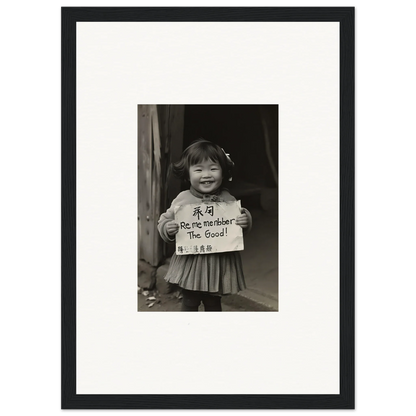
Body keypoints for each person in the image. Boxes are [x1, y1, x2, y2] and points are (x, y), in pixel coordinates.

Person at [157, 138, 252, 311]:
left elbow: (236, 227)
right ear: (188, 174)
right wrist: (168, 228)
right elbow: (164, 220)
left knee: (213, 303)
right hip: (192, 264)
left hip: (218, 264)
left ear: (223, 173)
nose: (206, 174)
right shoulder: (182, 199)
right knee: (189, 302)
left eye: (213, 169)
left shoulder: (228, 200)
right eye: (199, 169)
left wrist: (244, 220)